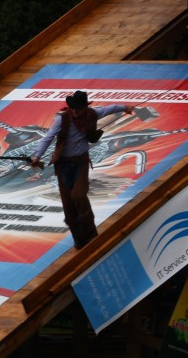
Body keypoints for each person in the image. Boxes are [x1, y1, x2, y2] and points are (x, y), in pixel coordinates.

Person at [29, 90, 135, 249]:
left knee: (78, 195)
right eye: (73, 108)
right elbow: (48, 138)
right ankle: (79, 240)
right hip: (63, 165)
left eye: (79, 108)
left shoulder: (92, 114)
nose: (75, 111)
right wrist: (37, 156)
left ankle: (92, 237)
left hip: (81, 162)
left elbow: (110, 108)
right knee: (68, 206)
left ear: (85, 107)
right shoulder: (62, 120)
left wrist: (125, 107)